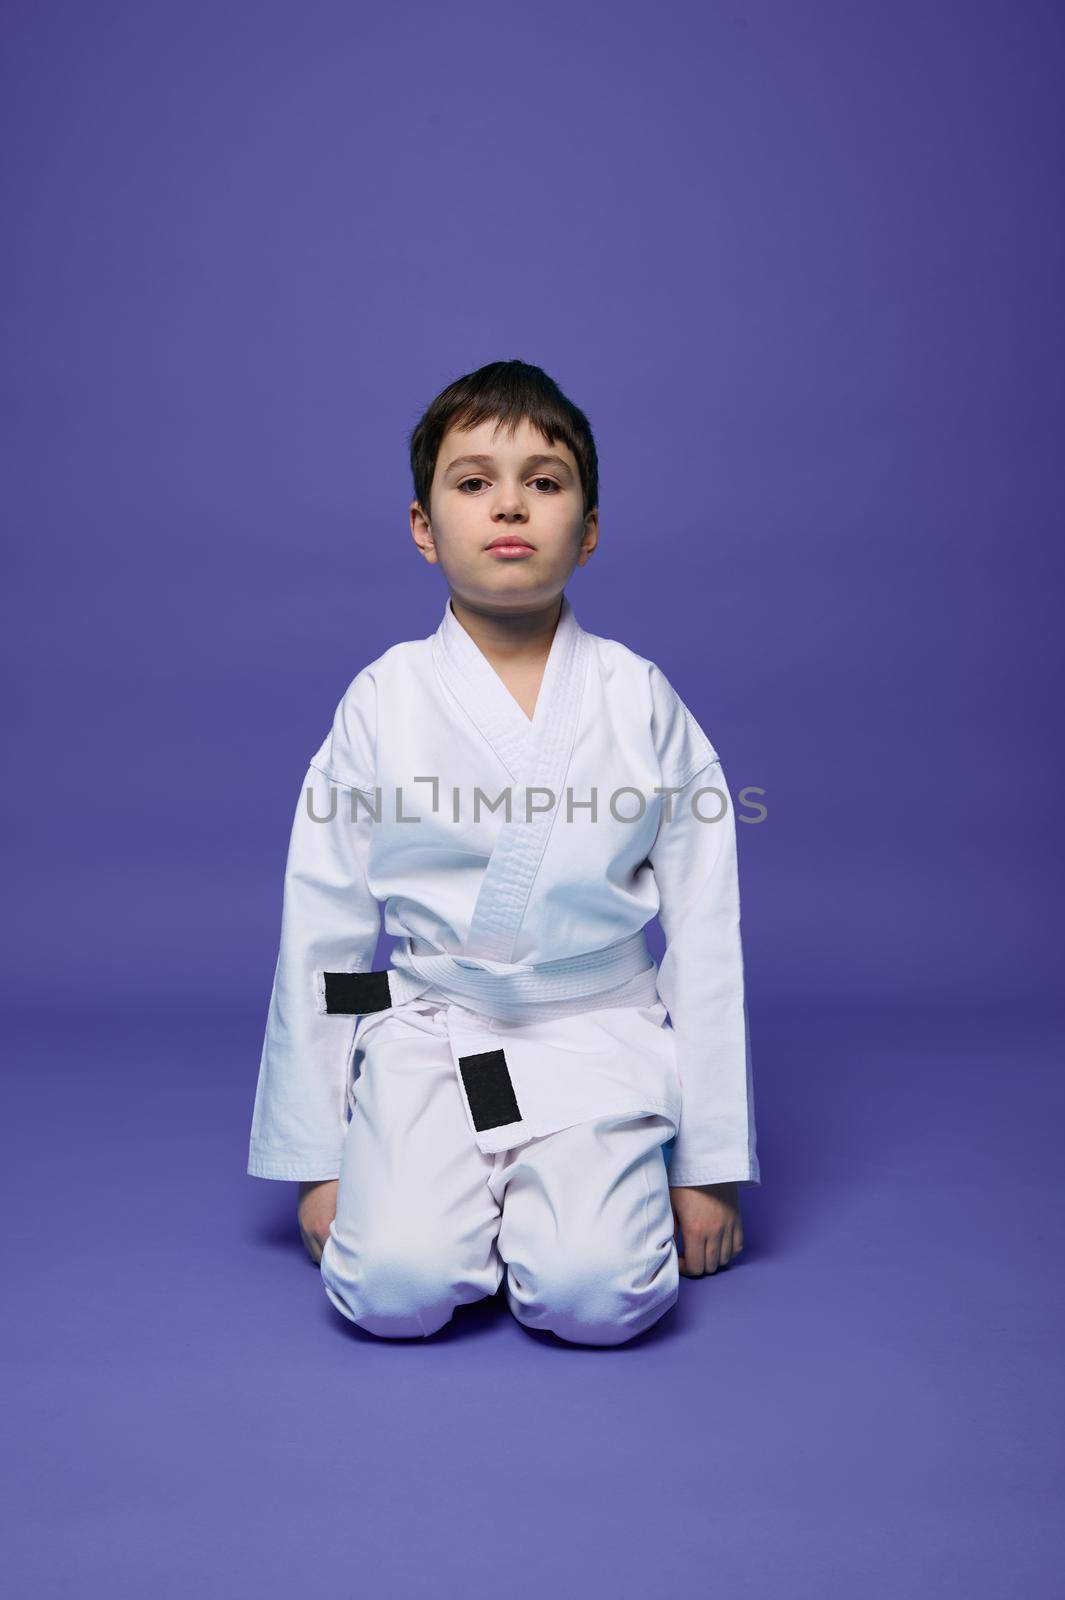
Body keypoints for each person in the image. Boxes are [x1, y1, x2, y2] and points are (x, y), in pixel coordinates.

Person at [247, 359, 760, 1345]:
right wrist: (319, 1159)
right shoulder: (383, 701)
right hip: (439, 1033)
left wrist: (710, 1165)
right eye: (474, 481)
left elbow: (703, 940)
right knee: (392, 1286)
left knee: (596, 1297)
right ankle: (461, 1184)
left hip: (596, 1031)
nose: (511, 504)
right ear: (424, 528)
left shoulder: (636, 698)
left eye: (546, 480)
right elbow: (330, 944)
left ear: (590, 528)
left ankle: (594, 1179)